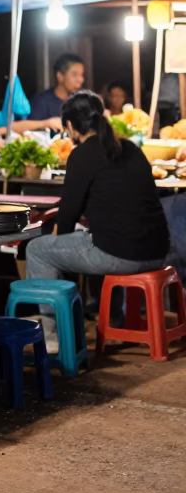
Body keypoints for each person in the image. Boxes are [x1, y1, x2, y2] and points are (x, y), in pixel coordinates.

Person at [26, 91, 170, 321]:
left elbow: (67, 217)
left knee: (38, 250)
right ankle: (111, 316)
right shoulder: (130, 148)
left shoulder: (81, 155)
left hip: (123, 256)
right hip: (159, 250)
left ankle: (52, 332)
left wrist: (58, 237)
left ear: (71, 125)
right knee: (99, 236)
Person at [28, 53, 85, 125]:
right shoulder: (42, 101)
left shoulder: (81, 102)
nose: (80, 80)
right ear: (60, 76)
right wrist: (46, 123)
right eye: (74, 75)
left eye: (82, 75)